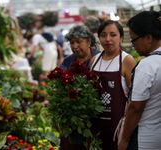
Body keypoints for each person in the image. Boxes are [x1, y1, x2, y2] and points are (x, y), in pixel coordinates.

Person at [118, 11, 161, 150]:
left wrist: (124, 140)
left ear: (148, 37)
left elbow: (136, 108)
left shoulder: (147, 65)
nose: (132, 45)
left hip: (144, 139)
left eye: (134, 40)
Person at [91, 20, 136, 150]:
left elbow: (135, 98)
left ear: (121, 37)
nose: (108, 39)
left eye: (113, 35)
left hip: (118, 127)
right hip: (96, 124)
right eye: (103, 35)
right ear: (98, 38)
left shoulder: (127, 61)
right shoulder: (94, 60)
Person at [58, 25, 99, 150]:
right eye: (72, 42)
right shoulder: (68, 62)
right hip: (72, 115)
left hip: (95, 115)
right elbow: (59, 84)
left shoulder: (99, 58)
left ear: (89, 42)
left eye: (79, 42)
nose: (75, 46)